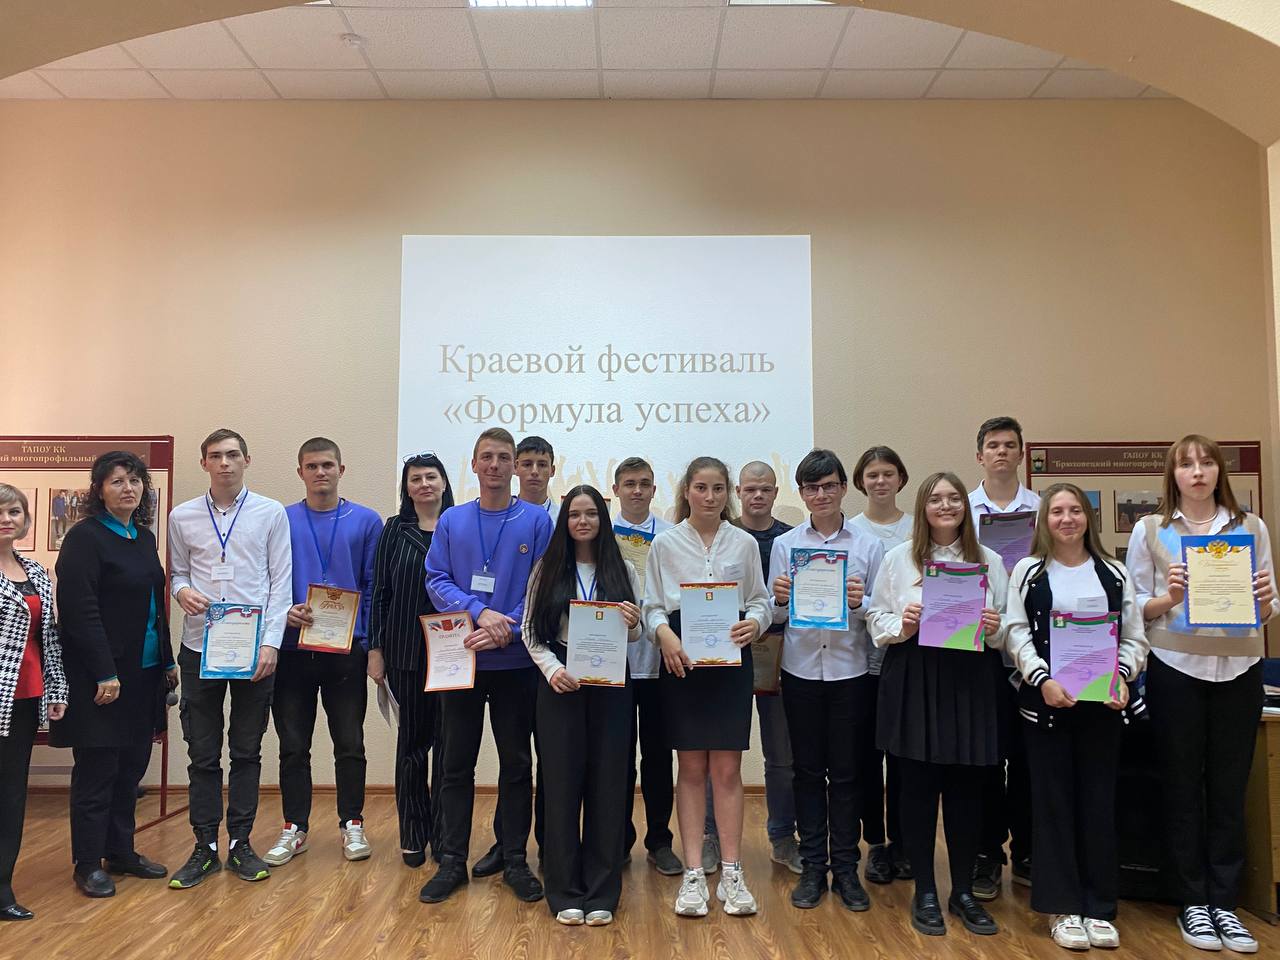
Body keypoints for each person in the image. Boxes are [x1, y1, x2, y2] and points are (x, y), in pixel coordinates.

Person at [1127, 435, 1274, 954]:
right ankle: (1191, 900)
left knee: (1230, 790)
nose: (1197, 472)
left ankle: (1225, 902)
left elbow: (1267, 607)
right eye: (1186, 464)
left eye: (1207, 462)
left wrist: (1264, 600)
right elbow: (1133, 606)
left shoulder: (1250, 527)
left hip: (1240, 670)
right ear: (1172, 475)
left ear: (1219, 472)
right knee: (1182, 787)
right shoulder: (1151, 530)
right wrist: (1168, 597)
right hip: (1176, 671)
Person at [1006, 483, 1149, 951]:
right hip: (1048, 705)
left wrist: (1123, 675)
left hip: (1102, 710)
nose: (1066, 519)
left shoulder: (1114, 572)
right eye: (1057, 512)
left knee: (1098, 804)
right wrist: (1042, 678)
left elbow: (1134, 636)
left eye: (1075, 510)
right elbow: (1016, 631)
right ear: (1044, 521)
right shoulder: (1029, 572)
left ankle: (1099, 906)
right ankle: (1062, 907)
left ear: (1088, 517)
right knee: (1053, 805)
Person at [867, 471, 1008, 937]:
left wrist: (994, 626)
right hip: (915, 675)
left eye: (954, 499)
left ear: (965, 506)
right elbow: (875, 617)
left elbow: (1010, 626)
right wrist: (902, 624)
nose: (946, 506)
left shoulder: (989, 560)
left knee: (968, 789)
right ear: (923, 508)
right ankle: (925, 890)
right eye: (936, 499)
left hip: (971, 679)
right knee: (918, 787)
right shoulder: (899, 558)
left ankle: (963, 891)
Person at [419, 427, 552, 905]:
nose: (495, 465)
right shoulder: (453, 520)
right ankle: (452, 861)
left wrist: (508, 626)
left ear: (515, 466)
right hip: (463, 658)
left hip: (516, 663)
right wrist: (480, 612)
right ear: (474, 465)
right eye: (487, 457)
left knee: (517, 764)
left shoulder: (537, 520)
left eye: (503, 457)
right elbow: (436, 578)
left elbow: (543, 585)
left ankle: (515, 859)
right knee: (455, 764)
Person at [644, 456, 771, 918]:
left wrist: (755, 623)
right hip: (682, 661)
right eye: (701, 487)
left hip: (731, 662)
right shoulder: (665, 542)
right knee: (692, 767)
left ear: (728, 494)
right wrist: (665, 635)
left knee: (728, 771)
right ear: (687, 491)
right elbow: (652, 606)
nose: (710, 496)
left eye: (718, 488)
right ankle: (695, 872)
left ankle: (732, 873)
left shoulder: (744, 542)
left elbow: (760, 601)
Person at [167, 428, 292, 888]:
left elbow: (281, 583)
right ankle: (204, 846)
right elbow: (178, 572)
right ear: (204, 463)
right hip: (199, 647)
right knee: (202, 754)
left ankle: (240, 842)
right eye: (216, 456)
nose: (225, 463)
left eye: (233, 455)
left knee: (246, 750)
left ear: (247, 460)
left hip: (252, 650)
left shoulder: (270, 512)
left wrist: (271, 644)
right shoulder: (182, 516)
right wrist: (182, 592)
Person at [52, 452, 176, 899]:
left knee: (130, 769)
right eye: (117, 481)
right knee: (98, 770)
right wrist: (104, 671)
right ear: (99, 490)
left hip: (144, 674)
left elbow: (154, 607)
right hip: (101, 679)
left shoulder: (142, 537)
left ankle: (121, 851)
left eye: (135, 480)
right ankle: (87, 863)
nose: (128, 488)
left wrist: (167, 661)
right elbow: (80, 612)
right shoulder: (84, 538)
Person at [768, 449, 884, 912]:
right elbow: (775, 614)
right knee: (808, 772)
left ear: (843, 488)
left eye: (829, 486)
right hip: (800, 672)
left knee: (849, 773)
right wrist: (779, 599)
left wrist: (861, 601)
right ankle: (814, 867)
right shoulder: (786, 545)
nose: (821, 495)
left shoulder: (868, 545)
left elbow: (881, 612)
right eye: (812, 488)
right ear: (802, 493)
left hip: (850, 673)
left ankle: (847, 869)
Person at [523, 485, 642, 926]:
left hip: (612, 684)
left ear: (602, 520)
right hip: (561, 683)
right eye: (575, 514)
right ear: (565, 521)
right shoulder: (547, 567)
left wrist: (634, 623)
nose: (583, 521)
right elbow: (529, 631)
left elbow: (635, 635)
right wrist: (553, 670)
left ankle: (602, 891)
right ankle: (564, 889)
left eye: (591, 513)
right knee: (560, 783)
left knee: (609, 783)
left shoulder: (624, 568)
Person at [265, 438, 382, 868]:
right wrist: (284, 613)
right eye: (312, 466)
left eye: (327, 465)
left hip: (345, 651)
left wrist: (366, 639)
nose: (320, 472)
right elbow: (268, 579)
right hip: (293, 650)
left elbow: (373, 585)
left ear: (341, 469)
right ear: (300, 472)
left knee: (349, 742)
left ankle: (352, 822)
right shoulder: (281, 518)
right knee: (293, 745)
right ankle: (294, 827)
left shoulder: (367, 520)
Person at [701, 461, 801, 878]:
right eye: (750, 489)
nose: (758, 495)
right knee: (718, 753)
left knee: (781, 755)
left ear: (776, 493)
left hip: (781, 656)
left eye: (766, 489)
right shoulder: (723, 538)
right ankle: (710, 837)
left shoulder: (793, 540)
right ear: (738, 492)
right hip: (726, 658)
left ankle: (782, 837)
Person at [468, 433, 556, 877]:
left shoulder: (558, 519)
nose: (532, 472)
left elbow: (548, 587)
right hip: (494, 652)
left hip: (542, 656)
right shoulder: (467, 518)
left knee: (537, 758)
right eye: (526, 463)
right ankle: (506, 846)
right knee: (509, 757)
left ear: (552, 470)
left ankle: (545, 849)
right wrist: (491, 621)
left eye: (542, 465)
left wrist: (510, 625)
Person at [368, 453, 455, 868]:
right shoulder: (394, 530)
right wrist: (375, 649)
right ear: (407, 487)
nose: (424, 484)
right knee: (412, 747)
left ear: (444, 482)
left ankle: (445, 836)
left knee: (448, 748)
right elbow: (380, 592)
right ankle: (414, 835)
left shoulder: (460, 526)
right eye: (415, 478)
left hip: (452, 654)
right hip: (404, 652)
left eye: (431, 477)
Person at [969, 415, 1039, 900]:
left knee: (1031, 759)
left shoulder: (1043, 509)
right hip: (982, 649)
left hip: (1035, 648)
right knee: (987, 760)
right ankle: (987, 854)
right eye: (993, 445)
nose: (1001, 452)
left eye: (1009, 445)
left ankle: (1030, 850)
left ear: (1020, 454)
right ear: (980, 455)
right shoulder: (962, 509)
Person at [612, 456, 681, 876]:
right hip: (613, 664)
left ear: (655, 490)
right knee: (617, 759)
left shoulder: (672, 537)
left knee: (657, 757)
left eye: (644, 483)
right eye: (629, 483)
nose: (637, 490)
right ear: (616, 490)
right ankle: (617, 841)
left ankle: (660, 841)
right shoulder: (600, 537)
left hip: (659, 664)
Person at [0, 484, 67, 920]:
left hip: (24, 699)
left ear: (25, 519)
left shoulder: (36, 572)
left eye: (14, 511)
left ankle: (2, 888)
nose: (6, 519)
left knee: (11, 795)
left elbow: (49, 639)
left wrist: (56, 689)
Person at [850, 445, 913, 884]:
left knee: (905, 758)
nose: (880, 481)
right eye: (872, 474)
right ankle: (875, 842)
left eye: (888, 473)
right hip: (863, 663)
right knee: (868, 759)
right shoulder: (850, 531)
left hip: (909, 661)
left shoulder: (918, 529)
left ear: (901, 479)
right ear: (860, 482)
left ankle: (904, 843)